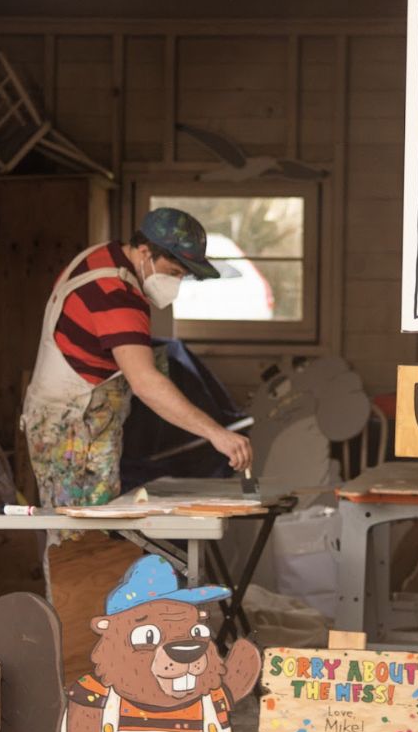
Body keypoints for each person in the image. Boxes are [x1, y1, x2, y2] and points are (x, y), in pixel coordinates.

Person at [19, 207, 254, 507]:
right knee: (80, 530)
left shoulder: (103, 255)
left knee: (81, 527)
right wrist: (217, 434)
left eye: (183, 276)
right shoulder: (117, 294)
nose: (176, 284)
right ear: (144, 252)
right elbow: (145, 383)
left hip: (68, 417)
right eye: (173, 272)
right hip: (75, 430)